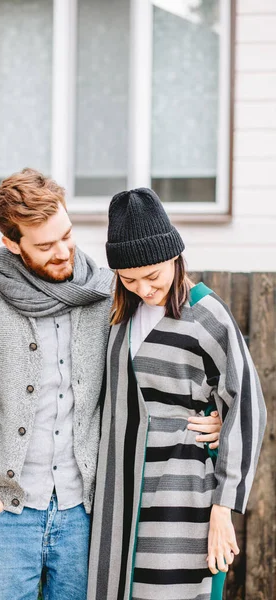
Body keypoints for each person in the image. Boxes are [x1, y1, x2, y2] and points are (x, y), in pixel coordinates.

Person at [0, 170, 222, 600]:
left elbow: (166, 359)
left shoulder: (110, 292)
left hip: (86, 512)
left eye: (66, 234)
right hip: (5, 512)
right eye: (45, 246)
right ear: (12, 244)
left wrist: (208, 419)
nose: (63, 251)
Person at [86, 188, 266, 600]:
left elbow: (248, 404)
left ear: (175, 257)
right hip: (118, 493)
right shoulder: (115, 317)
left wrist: (224, 507)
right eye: (129, 279)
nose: (144, 289)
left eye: (153, 276)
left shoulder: (207, 314)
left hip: (181, 491)